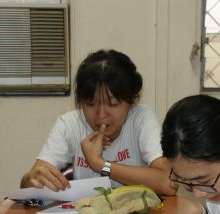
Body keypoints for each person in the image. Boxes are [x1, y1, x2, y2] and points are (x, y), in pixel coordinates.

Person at [21, 49, 176, 196]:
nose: (101, 115)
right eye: (90, 103)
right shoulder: (69, 124)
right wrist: (32, 179)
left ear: (131, 101)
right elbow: (27, 186)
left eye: (113, 104)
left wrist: (99, 164)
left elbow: (169, 183)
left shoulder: (140, 118)